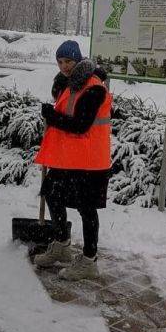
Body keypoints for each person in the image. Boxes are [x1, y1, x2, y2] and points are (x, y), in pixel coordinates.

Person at [33, 40, 112, 281]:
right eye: (60, 62)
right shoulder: (71, 84)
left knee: (86, 208)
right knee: (52, 194)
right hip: (68, 157)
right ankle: (61, 245)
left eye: (68, 61)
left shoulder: (94, 87)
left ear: (78, 60)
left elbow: (80, 125)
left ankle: (89, 260)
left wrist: (51, 116)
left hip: (89, 160)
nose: (64, 66)